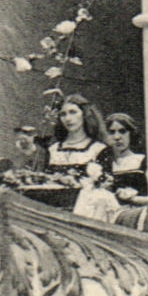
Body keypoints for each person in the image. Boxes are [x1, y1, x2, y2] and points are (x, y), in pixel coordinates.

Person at [44, 93, 121, 221]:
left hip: (87, 212)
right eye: (63, 114)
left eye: (73, 112)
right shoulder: (53, 150)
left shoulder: (98, 149)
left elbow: (106, 185)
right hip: (54, 212)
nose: (68, 118)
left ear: (84, 114)